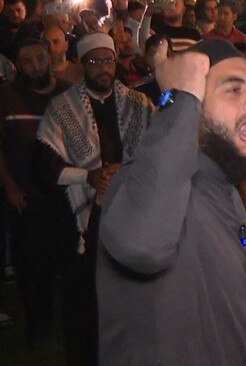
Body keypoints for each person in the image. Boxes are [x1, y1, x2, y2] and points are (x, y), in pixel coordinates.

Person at [96, 38, 246, 366]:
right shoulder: (140, 185)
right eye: (233, 90)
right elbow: (143, 247)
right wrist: (179, 100)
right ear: (193, 105)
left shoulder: (224, 189)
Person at [36, 32, 151, 366]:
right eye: (95, 61)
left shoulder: (140, 104)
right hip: (85, 221)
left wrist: (126, 172)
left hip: (132, 214)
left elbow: (158, 157)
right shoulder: (61, 107)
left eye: (108, 60)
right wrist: (88, 175)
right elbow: (45, 166)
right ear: (82, 64)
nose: (103, 68)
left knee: (132, 293)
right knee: (85, 298)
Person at [0, 37, 69, 342]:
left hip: (64, 192)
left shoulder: (67, 93)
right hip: (26, 196)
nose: (35, 66)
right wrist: (11, 188)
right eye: (27, 60)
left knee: (66, 262)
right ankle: (38, 325)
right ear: (17, 65)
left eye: (40, 58)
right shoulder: (6, 96)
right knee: (31, 266)